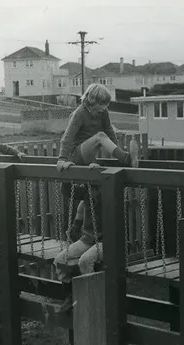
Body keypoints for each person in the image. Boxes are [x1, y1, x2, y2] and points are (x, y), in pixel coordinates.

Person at [53, 83, 139, 311]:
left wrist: (118, 152)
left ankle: (81, 299)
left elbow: (109, 133)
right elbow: (67, 137)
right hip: (75, 155)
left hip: (89, 157)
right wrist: (62, 159)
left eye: (105, 108)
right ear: (91, 101)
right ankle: (69, 296)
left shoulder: (103, 112)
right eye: (100, 107)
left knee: (103, 134)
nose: (103, 111)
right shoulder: (79, 112)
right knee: (100, 136)